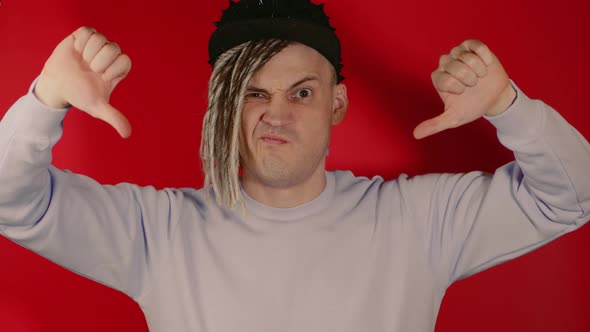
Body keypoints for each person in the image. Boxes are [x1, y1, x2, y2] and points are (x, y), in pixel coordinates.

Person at [0, 0, 588, 331]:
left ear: (337, 104)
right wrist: (43, 100)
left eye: (301, 93)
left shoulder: (418, 220)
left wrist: (510, 108)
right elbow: (12, 203)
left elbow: (572, 195)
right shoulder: (159, 231)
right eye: (253, 93)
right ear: (224, 107)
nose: (275, 114)